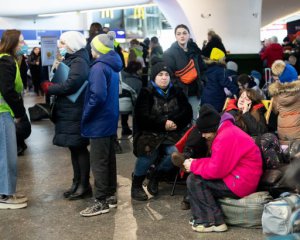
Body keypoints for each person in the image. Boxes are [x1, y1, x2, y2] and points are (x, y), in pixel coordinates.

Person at [183, 104, 263, 232]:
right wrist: (196, 162)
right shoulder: (226, 131)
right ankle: (204, 218)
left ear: (212, 128)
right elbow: (219, 162)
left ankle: (211, 221)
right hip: (241, 177)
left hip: (241, 182)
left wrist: (194, 165)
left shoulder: (224, 137)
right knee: (196, 177)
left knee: (195, 180)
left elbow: (216, 171)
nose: (203, 136)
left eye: (204, 132)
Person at [131, 61, 192, 201]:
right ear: (154, 77)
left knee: (175, 153)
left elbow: (187, 112)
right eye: (160, 75)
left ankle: (155, 175)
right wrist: (163, 123)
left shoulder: (177, 92)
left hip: (173, 133)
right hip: (150, 133)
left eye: (166, 75)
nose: (164, 77)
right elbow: (142, 117)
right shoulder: (146, 93)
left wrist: (175, 122)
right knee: (149, 152)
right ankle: (136, 185)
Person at [41, 31, 91, 200]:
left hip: (75, 110)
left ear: (72, 43)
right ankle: (76, 182)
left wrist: (50, 88)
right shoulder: (72, 59)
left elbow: (71, 84)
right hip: (69, 110)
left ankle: (84, 185)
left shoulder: (79, 61)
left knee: (79, 147)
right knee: (74, 148)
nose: (60, 46)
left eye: (63, 43)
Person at [80, 31, 123, 217]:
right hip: (110, 117)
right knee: (108, 158)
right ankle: (110, 195)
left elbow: (97, 96)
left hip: (99, 119)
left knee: (98, 161)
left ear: (97, 49)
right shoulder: (113, 64)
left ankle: (101, 201)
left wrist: (86, 114)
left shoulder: (98, 67)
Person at [0, 29, 28, 209]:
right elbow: (8, 90)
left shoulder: (5, 59)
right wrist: (19, 112)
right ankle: (5, 195)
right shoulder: (5, 61)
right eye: (21, 41)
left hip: (3, 111)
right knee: (7, 155)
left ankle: (6, 191)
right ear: (12, 43)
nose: (23, 44)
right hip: (3, 112)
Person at [163, 24, 204, 122]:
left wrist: (202, 82)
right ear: (175, 36)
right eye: (179, 34)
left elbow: (202, 69)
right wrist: (180, 87)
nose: (182, 36)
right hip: (179, 94)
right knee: (182, 120)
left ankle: (193, 137)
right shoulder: (169, 53)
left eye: (185, 33)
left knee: (194, 120)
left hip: (195, 92)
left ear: (189, 35)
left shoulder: (194, 51)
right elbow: (169, 74)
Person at [268, 60, 300, 144]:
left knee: (287, 153)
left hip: (283, 130)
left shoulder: (277, 95)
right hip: (298, 129)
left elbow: (275, 110)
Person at [201, 48, 238, 112]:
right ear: (221, 59)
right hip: (216, 98)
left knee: (206, 116)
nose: (225, 60)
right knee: (216, 117)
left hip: (205, 97)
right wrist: (235, 90)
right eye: (224, 59)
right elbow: (225, 82)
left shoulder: (205, 67)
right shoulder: (220, 70)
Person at [119, 60, 143, 135]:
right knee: (137, 105)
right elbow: (138, 98)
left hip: (116, 105)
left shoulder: (119, 76)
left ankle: (124, 127)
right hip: (129, 107)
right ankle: (136, 131)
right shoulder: (137, 81)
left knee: (124, 101)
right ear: (137, 70)